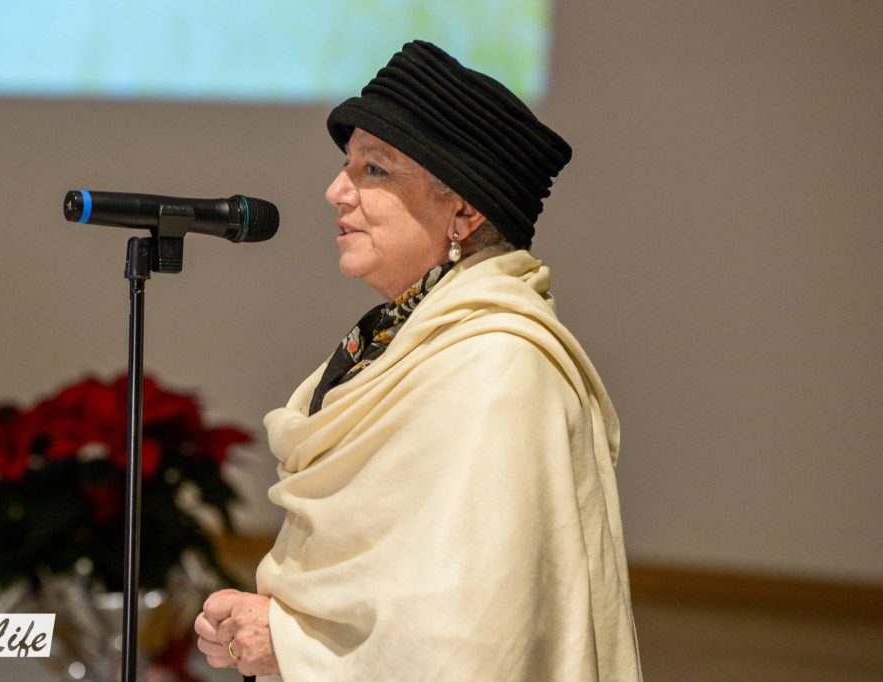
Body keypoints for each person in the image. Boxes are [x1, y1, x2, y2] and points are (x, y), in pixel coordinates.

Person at [195, 40, 642, 681]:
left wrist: (290, 644)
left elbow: (475, 639)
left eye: (374, 170)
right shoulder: (414, 337)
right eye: (346, 165)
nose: (336, 191)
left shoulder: (497, 367)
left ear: (464, 209)